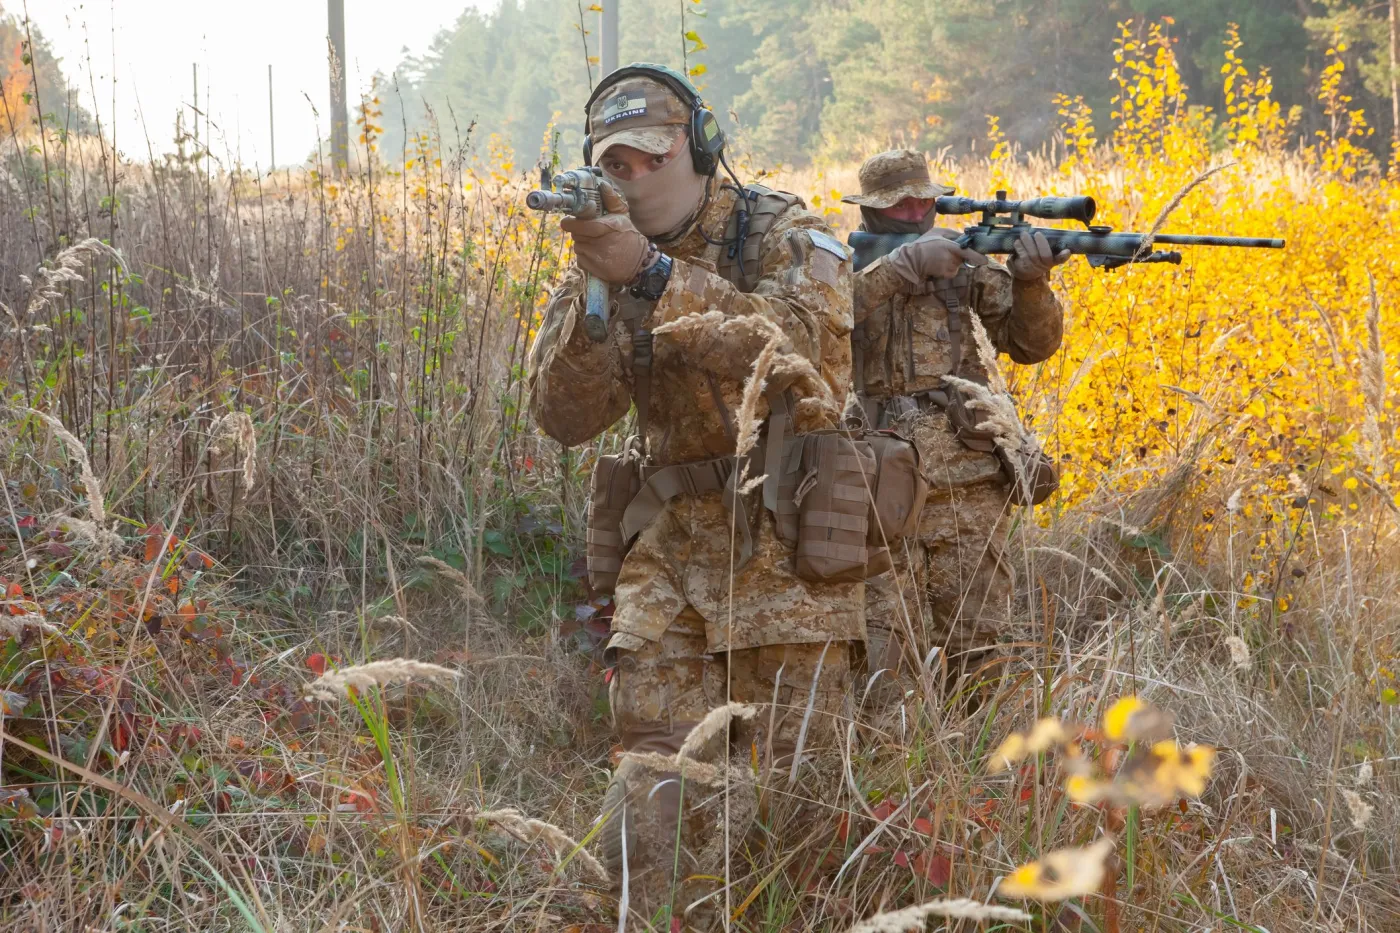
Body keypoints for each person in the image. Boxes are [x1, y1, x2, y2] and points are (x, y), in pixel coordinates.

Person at [527, 64, 858, 930]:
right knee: (653, 801)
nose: (634, 178)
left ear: (699, 148)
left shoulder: (783, 229)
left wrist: (654, 275)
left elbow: (809, 359)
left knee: (804, 807)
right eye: (616, 165)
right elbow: (563, 418)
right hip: (669, 560)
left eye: (650, 157)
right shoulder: (605, 248)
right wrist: (599, 296)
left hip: (792, 551)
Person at [841, 149, 1067, 685]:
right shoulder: (836, 265)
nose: (918, 211)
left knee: (981, 641)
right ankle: (895, 758)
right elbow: (816, 319)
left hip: (967, 482)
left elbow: (1032, 346)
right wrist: (899, 270)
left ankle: (983, 760)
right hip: (871, 475)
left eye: (926, 199)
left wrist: (1032, 283)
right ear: (870, 210)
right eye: (900, 204)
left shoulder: (967, 266)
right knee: (884, 646)